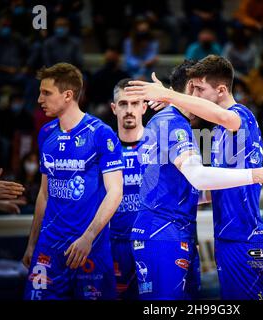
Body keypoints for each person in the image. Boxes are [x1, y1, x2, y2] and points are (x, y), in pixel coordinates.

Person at [125, 55, 263, 299]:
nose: (196, 96)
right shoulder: (212, 132)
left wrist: (169, 95)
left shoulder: (240, 116)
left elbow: (224, 120)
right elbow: (208, 183)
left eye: (200, 89)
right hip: (216, 235)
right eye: (192, 89)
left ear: (220, 90)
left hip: (243, 235)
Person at [22, 63, 124, 300]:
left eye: (46, 93)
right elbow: (44, 194)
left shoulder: (101, 133)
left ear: (68, 95)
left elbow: (115, 191)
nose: (39, 99)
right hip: (49, 248)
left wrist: (88, 237)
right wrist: (32, 244)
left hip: (89, 247)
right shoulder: (46, 133)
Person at [109, 78, 147, 299]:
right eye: (123, 104)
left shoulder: (160, 148)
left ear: (144, 107)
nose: (129, 110)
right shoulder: (103, 151)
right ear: (114, 109)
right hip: (114, 245)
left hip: (151, 243)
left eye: (135, 103)